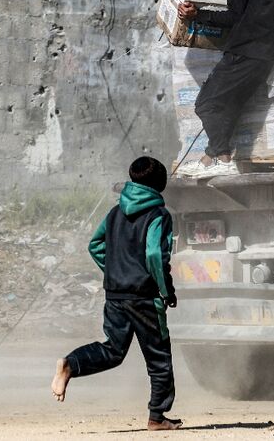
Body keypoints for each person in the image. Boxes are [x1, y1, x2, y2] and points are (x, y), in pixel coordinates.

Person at [51, 156, 181, 431]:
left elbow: (95, 245)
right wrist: (166, 289)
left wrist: (114, 271)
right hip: (144, 297)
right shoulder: (159, 215)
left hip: (115, 296)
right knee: (159, 358)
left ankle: (71, 364)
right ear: (160, 184)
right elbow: (155, 254)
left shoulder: (114, 213)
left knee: (113, 350)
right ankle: (157, 417)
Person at [175, 0, 274, 177]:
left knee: (206, 104)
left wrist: (197, 15)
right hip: (265, 55)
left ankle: (223, 160)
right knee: (229, 107)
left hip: (243, 52)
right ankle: (212, 158)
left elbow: (233, 17)